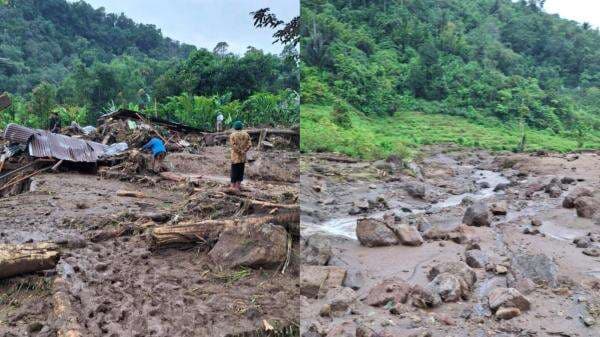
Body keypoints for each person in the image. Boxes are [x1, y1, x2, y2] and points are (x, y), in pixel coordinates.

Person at [229, 121, 251, 191]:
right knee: (240, 172)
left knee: (234, 171)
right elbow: (250, 144)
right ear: (241, 127)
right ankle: (238, 187)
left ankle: (232, 187)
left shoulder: (232, 135)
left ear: (235, 127)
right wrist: (244, 151)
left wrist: (239, 151)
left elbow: (233, 145)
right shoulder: (246, 134)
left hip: (235, 157)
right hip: (242, 157)